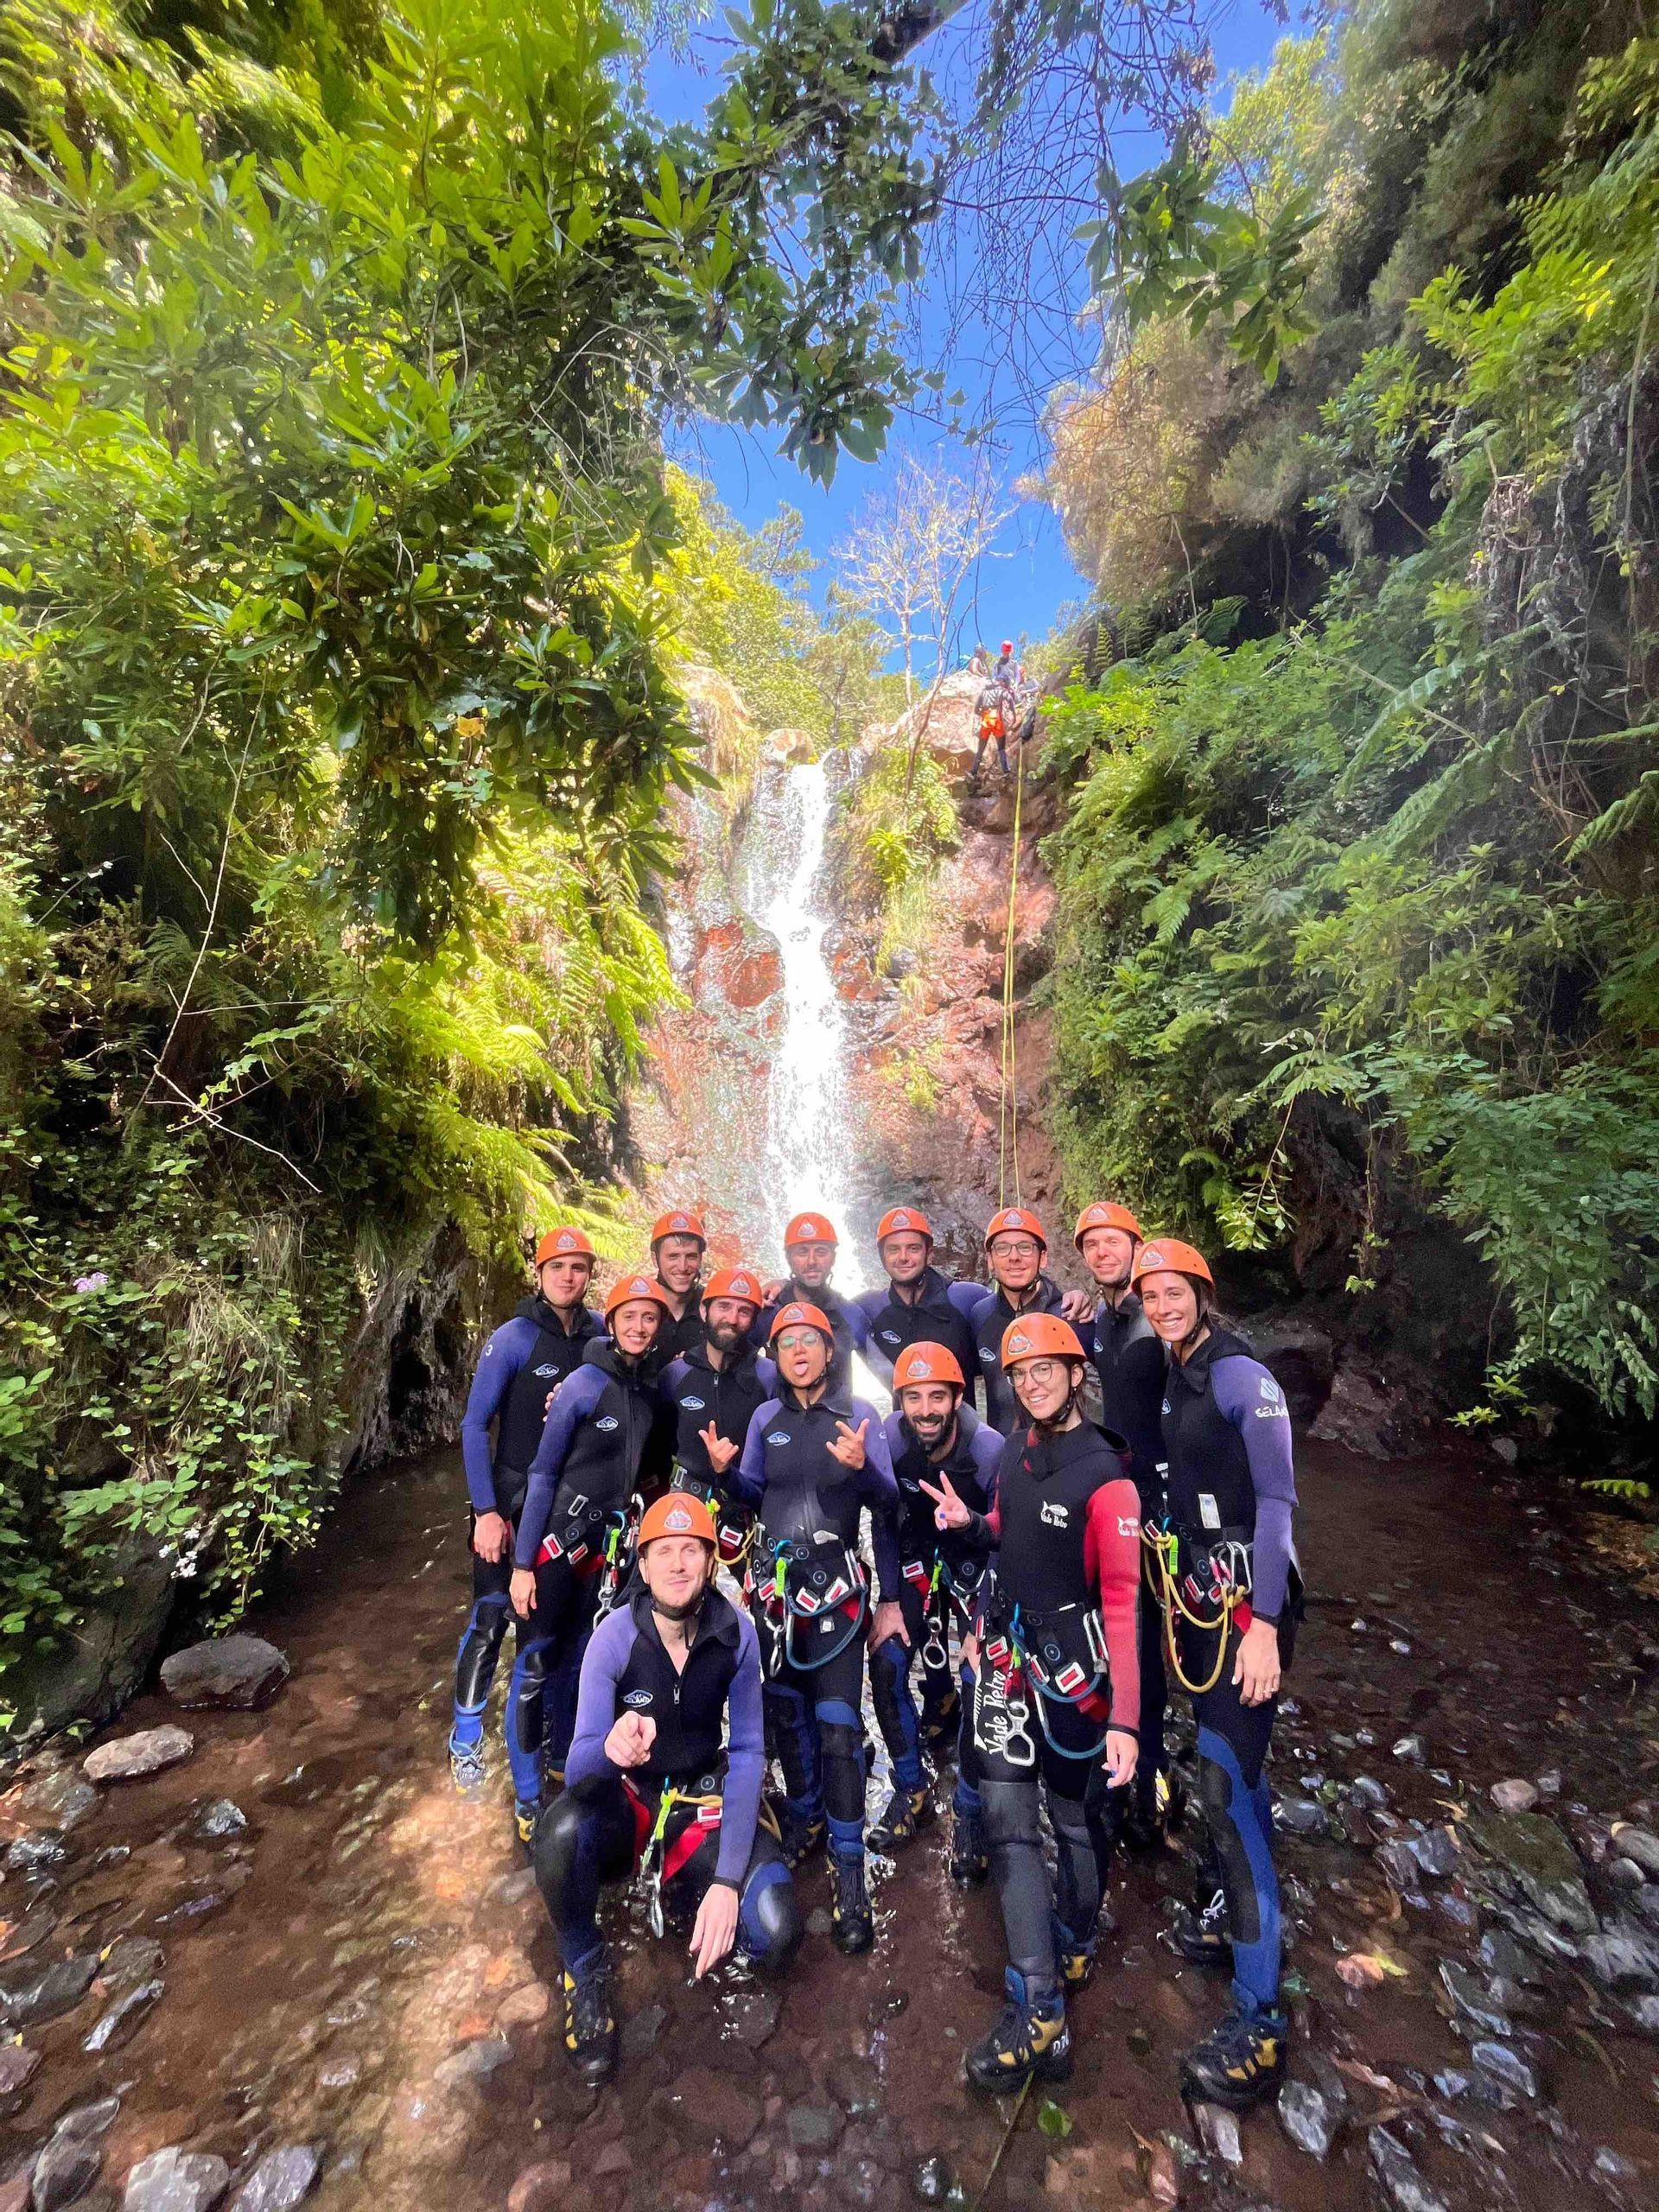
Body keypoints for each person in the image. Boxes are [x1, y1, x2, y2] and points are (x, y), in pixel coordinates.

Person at [929, 1313, 1141, 2092]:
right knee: (1011, 1817)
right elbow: (1008, 1532)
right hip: (1007, 1654)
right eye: (1020, 1373)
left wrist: (1125, 1720)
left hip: (1076, 1672)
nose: (1032, 1382)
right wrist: (971, 1525)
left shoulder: (1108, 1475)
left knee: (1075, 1815)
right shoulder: (1016, 1453)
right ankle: (1038, 2001)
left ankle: (1077, 1936)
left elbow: (1123, 1601)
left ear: (1076, 1375)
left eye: (1046, 1369)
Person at [534, 1491, 801, 2084]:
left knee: (777, 1932)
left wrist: (728, 1883)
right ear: (644, 1563)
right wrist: (610, 1750)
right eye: (664, 1552)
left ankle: (697, 1889)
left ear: (710, 1562)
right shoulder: (613, 1638)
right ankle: (584, 1965)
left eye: (691, 1550)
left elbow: (751, 1751)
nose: (678, 1564)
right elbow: (578, 1769)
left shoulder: (737, 1634)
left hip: (701, 1800)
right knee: (557, 1834)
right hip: (630, 1803)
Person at [1131, 1237, 1300, 2111]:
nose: (1161, 1304)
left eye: (1174, 1291)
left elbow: (1275, 1501)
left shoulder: (1240, 1377)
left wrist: (1266, 1625)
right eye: (1148, 1293)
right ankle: (1230, 1929)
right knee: (1227, 1767)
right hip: (1206, 1597)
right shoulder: (1178, 1369)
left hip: (1248, 1613)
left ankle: (1260, 2022)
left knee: (1226, 1788)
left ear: (1204, 1292)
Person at [731, 1301, 899, 1954]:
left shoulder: (861, 1417)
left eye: (811, 1341)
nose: (799, 1351)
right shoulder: (764, 1418)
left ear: (831, 1354)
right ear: (775, 1356)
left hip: (837, 1592)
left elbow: (888, 1507)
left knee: (838, 1726)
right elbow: (753, 1495)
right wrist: (723, 1472)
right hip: (775, 1591)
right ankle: (803, 1819)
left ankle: (849, 1867)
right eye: (787, 1343)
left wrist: (865, 1469)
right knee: (786, 1715)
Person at [505, 1273, 671, 1842]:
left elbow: (649, 1476)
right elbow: (544, 1472)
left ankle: (562, 1763)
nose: (639, 1326)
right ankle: (527, 1797)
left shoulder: (649, 1391)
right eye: (630, 1316)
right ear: (613, 1319)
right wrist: (523, 1564)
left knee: (581, 1662)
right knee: (533, 1668)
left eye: (649, 1318)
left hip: (605, 1552)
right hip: (555, 1546)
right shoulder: (580, 1385)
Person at [450, 1227, 601, 1796]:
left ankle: (550, 1744)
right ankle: (465, 1740)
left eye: (579, 1267)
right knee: (491, 1619)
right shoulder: (512, 1340)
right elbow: (472, 1426)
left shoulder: (599, 1337)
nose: (568, 1276)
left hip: (564, 1506)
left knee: (552, 1629)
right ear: (539, 1274)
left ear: (589, 1275)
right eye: (558, 1266)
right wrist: (485, 1512)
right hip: (507, 1500)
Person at [869, 1343, 1002, 1866]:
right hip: (916, 1555)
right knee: (887, 1660)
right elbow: (882, 1516)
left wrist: (986, 1618)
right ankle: (911, 1788)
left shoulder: (987, 1449)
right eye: (914, 1398)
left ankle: (970, 1812)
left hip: (974, 1555)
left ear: (957, 1398)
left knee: (980, 1675)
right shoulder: (890, 1438)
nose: (925, 1410)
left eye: (937, 1397)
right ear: (900, 1399)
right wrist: (887, 1600)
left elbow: (1005, 1539)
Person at [1075, 1201, 1176, 1853]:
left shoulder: (1156, 1318)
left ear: (1135, 1245)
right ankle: (1126, 1754)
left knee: (1148, 1640)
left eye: (1112, 1242)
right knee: (1122, 1630)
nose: (1102, 1253)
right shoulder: (1107, 1321)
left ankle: (1155, 1771)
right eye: (1091, 1246)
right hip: (1119, 1495)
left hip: (1161, 1503)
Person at [660, 1265, 774, 1568]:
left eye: (744, 1311)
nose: (732, 1319)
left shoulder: (768, 1376)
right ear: (704, 1309)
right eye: (724, 1306)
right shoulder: (676, 1374)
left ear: (754, 1321)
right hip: (687, 1501)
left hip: (746, 1508)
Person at [855, 1206, 983, 1405]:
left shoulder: (965, 1298)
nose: (903, 1257)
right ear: (882, 1256)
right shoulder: (869, 1308)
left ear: (929, 1253)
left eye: (913, 1248)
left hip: (963, 1432)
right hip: (903, 1433)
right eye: (893, 1249)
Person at [970, 1208, 1067, 1434]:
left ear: (1043, 1257)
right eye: (1002, 1248)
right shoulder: (979, 1316)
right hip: (1004, 1455)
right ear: (990, 1260)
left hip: (1061, 1455)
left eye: (1025, 1247)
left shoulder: (1067, 1317)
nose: (1014, 1257)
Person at [756, 1211, 871, 1380]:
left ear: (834, 1258)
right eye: (802, 1252)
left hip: (839, 1406)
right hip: (781, 1406)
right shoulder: (768, 1310)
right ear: (789, 1259)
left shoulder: (851, 1314)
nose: (812, 1261)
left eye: (821, 1252)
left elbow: (888, 1374)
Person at [650, 1208, 709, 1364]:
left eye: (691, 1256)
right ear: (655, 1259)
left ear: (700, 1259)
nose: (683, 1267)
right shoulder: (639, 1305)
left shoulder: (714, 1308)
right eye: (673, 1256)